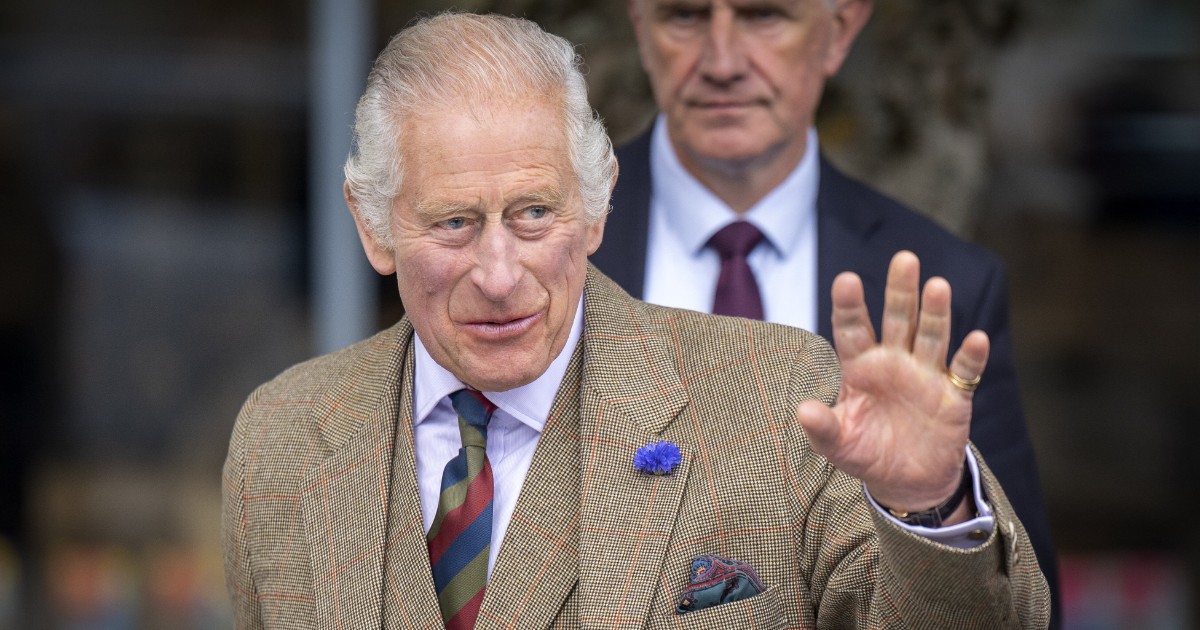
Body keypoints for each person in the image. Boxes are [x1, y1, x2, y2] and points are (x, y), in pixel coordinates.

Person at [222, 12, 1049, 628]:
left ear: (596, 206)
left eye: (536, 213)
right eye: (454, 225)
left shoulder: (780, 397)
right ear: (372, 227)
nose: (501, 274)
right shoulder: (283, 439)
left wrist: (926, 510)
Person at [589, 0, 1060, 624]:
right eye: (686, 16)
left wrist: (931, 506)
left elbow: (1016, 608)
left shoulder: (945, 283)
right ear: (640, 29)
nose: (722, 61)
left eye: (763, 17)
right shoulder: (542, 250)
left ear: (839, 32)